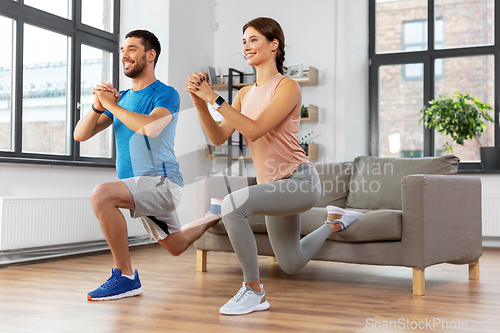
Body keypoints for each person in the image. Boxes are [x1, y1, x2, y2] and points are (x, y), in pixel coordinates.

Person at [186, 17, 362, 315]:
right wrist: (199, 102)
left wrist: (213, 97)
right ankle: (336, 223)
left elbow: (255, 130)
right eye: (244, 41)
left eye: (254, 39)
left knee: (231, 205)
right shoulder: (243, 94)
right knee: (291, 263)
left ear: (274, 44)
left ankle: (253, 290)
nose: (247, 46)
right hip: (273, 186)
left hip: (300, 182)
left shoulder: (288, 87)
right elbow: (218, 137)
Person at [74, 30, 221, 301]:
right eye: (122, 50)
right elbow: (80, 135)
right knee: (176, 246)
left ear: (149, 55)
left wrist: (111, 105)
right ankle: (214, 215)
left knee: (102, 194)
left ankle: (126, 277)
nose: (124, 56)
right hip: (138, 187)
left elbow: (150, 128)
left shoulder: (166, 94)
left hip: (162, 184)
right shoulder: (122, 99)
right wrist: (98, 107)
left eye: (132, 49)